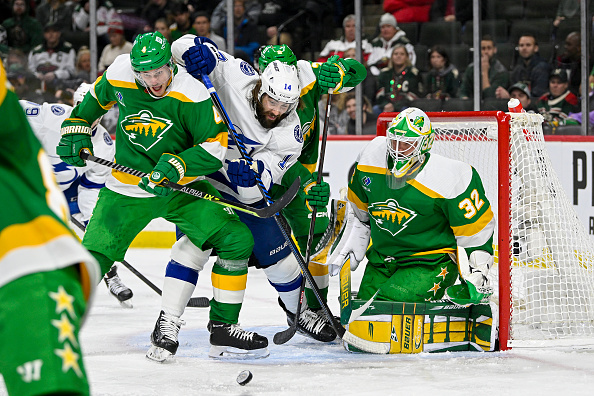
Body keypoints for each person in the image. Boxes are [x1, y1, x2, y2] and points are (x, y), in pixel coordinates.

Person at [56, 31, 265, 361]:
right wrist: (76, 128)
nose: (154, 81)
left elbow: (213, 148)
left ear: (171, 65)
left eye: (159, 72)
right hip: (127, 188)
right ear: (136, 70)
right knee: (93, 256)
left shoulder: (192, 92)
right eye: (146, 74)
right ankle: (49, 324)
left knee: (236, 239)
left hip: (179, 188)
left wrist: (177, 165)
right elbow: (91, 104)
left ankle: (223, 328)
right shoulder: (120, 72)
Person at [163, 36, 344, 354]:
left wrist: (249, 181)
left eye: (285, 106)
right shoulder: (237, 73)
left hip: (240, 188)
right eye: (272, 101)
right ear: (261, 87)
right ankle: (168, 320)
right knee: (194, 245)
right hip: (203, 174)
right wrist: (194, 52)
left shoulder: (290, 133)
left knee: (283, 259)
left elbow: (257, 190)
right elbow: (181, 44)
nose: (276, 111)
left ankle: (298, 314)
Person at [325, 107, 495, 308]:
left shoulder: (452, 178)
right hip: (383, 260)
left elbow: (476, 231)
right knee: (363, 309)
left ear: (424, 144)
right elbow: (359, 211)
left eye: (406, 144)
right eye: (394, 141)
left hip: (430, 263)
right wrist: (353, 239)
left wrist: (478, 272)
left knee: (385, 311)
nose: (397, 149)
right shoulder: (371, 157)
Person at [0, 58, 100, 396]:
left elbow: (90, 199)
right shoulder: (50, 117)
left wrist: (89, 227)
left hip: (23, 268)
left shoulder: (105, 146)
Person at [256, 44, 367, 312]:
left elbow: (358, 71)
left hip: (297, 168)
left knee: (315, 228)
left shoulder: (306, 75)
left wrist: (339, 72)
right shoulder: (248, 87)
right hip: (255, 167)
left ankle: (315, 308)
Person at [20, 82, 134, 307]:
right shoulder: (54, 117)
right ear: (75, 105)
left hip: (67, 191)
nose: (90, 115)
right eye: (84, 107)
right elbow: (17, 110)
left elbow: (91, 187)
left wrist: (93, 223)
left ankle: (110, 274)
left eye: (96, 109)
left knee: (92, 234)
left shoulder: (103, 145)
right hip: (30, 185)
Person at [495, 34, 550, 100]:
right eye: (521, 45)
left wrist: (509, 98)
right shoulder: (518, 69)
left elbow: (537, 97)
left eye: (528, 45)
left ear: (536, 48)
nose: (524, 48)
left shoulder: (542, 68)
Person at [28, 22, 76, 97]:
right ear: (44, 34)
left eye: (54, 31)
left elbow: (71, 70)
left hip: (59, 83)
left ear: (59, 33)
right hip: (38, 82)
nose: (51, 34)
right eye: (48, 32)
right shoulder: (36, 51)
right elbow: (30, 69)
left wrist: (56, 74)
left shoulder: (68, 49)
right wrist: (37, 75)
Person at [375, 44, 423, 113]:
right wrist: (385, 104)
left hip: (405, 106)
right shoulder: (385, 74)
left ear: (407, 57)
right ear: (392, 57)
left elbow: (414, 96)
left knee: (405, 110)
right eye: (396, 54)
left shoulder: (413, 74)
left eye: (402, 54)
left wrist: (395, 106)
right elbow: (379, 94)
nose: (398, 56)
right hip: (387, 106)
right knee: (375, 109)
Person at [460, 35, 509, 99]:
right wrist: (465, 99)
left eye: (489, 48)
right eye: (483, 48)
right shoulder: (471, 68)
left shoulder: (501, 71)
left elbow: (490, 97)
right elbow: (463, 91)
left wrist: (484, 72)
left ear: (494, 50)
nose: (486, 52)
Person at [554, 31, 582, 96]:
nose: (565, 47)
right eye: (565, 44)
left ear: (579, 47)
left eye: (569, 44)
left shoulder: (587, 65)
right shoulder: (562, 61)